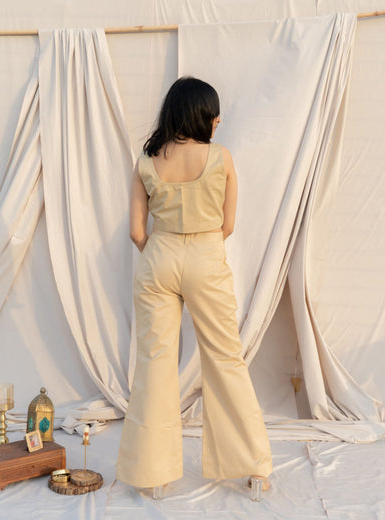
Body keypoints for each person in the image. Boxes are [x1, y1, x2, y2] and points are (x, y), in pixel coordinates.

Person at [116, 77, 272, 499]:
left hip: (158, 259)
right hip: (206, 256)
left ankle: (154, 476)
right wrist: (199, 252)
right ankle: (254, 468)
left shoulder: (147, 160)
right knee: (225, 359)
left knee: (154, 363)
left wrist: (162, 252)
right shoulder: (221, 157)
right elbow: (228, 225)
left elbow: (136, 231)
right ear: (204, 116)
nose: (218, 123)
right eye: (215, 116)